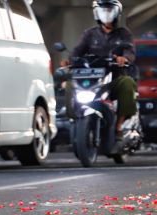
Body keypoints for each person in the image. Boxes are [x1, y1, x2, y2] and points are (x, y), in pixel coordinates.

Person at [67, 0, 137, 142]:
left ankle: (119, 125)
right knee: (69, 85)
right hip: (93, 77)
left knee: (128, 83)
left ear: (117, 13)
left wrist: (124, 58)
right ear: (97, 13)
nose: (106, 14)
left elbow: (130, 51)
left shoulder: (124, 34)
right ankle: (76, 118)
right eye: (103, 11)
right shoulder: (89, 34)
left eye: (110, 11)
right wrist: (69, 61)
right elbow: (77, 51)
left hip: (114, 78)